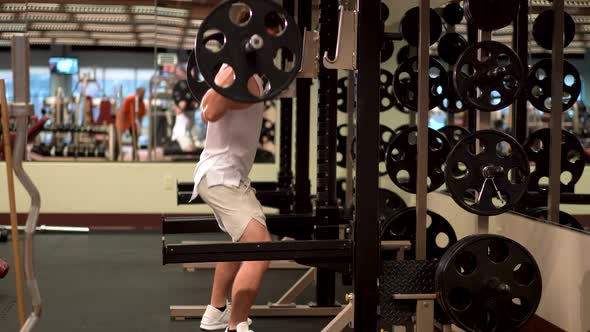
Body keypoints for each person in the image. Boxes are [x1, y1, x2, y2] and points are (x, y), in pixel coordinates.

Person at [190, 63, 269, 332]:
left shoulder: (248, 72)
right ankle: (236, 325)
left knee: (241, 242)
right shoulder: (237, 71)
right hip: (221, 176)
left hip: (225, 175)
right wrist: (226, 79)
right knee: (260, 246)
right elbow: (210, 111)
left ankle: (217, 310)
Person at [115, 87, 146, 160]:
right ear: (137, 92)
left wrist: (139, 128)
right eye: (141, 93)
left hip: (133, 123)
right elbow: (124, 112)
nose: (143, 95)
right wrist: (122, 125)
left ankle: (135, 155)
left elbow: (140, 117)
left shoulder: (142, 104)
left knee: (135, 139)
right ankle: (116, 155)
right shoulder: (129, 99)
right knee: (118, 139)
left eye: (143, 93)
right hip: (124, 121)